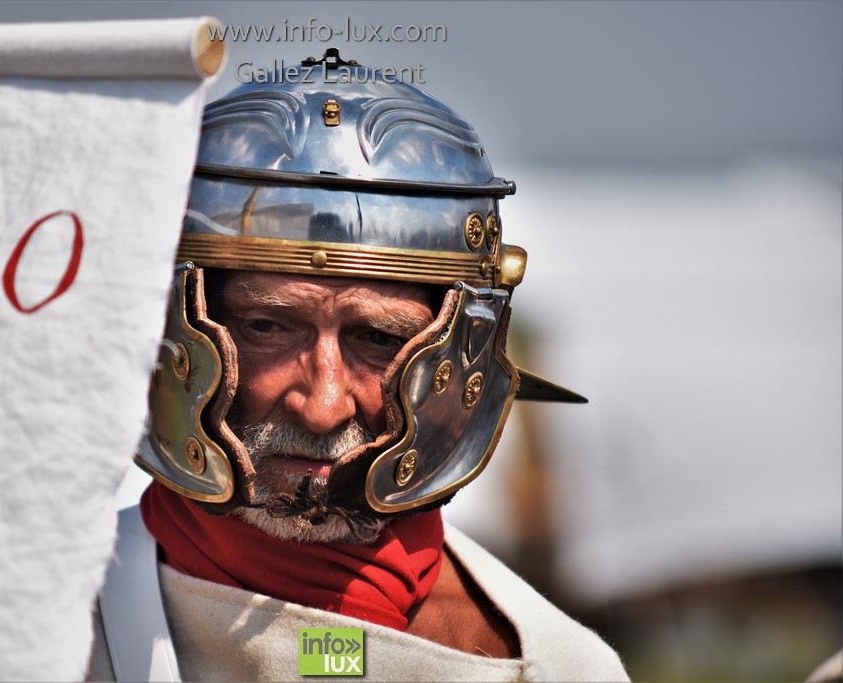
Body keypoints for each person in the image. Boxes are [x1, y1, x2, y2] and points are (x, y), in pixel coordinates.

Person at [89, 49, 629, 682]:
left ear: (456, 347)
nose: (322, 406)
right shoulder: (35, 620)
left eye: (377, 338)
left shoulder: (554, 669)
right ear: (177, 322)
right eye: (267, 326)